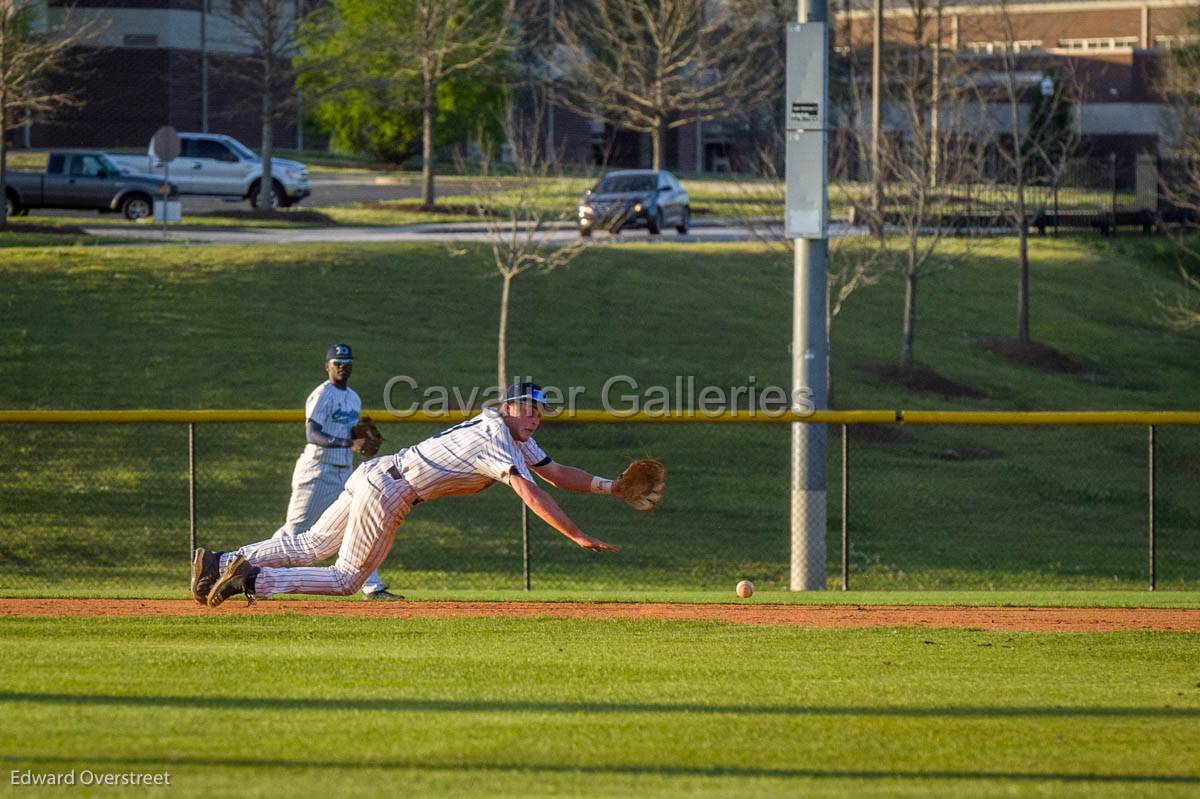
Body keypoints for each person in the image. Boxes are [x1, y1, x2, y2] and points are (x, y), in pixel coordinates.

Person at [192, 382, 623, 607]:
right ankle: (252, 579)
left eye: (539, 413)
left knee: (310, 544)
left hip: (378, 474)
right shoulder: (496, 437)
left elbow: (556, 473)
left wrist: (611, 487)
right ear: (507, 407)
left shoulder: (510, 432)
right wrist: (576, 534)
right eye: (526, 410)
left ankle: (219, 562)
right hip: (393, 490)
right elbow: (530, 492)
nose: (534, 419)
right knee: (346, 581)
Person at [188, 343, 397, 605]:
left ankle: (373, 587)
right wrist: (348, 442)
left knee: (357, 524)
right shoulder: (322, 394)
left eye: (347, 362)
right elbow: (313, 434)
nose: (343, 366)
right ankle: (231, 568)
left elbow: (350, 434)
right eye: (338, 362)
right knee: (294, 533)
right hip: (317, 472)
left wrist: (360, 442)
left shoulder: (353, 398)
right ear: (327, 366)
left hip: (344, 472)